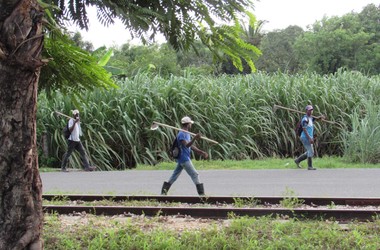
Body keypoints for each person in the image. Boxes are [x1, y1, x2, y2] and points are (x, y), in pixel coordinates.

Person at [161, 116, 209, 196]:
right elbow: (186, 145)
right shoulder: (182, 134)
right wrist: (195, 138)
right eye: (190, 123)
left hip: (182, 159)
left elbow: (190, 146)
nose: (191, 125)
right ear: (188, 124)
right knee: (194, 174)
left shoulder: (187, 133)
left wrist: (201, 152)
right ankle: (202, 195)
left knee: (174, 176)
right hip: (184, 159)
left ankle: (163, 193)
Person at [294, 105, 325, 170]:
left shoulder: (310, 118)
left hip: (308, 137)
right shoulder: (305, 119)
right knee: (311, 152)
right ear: (306, 111)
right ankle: (309, 166)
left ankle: (297, 160)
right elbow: (304, 129)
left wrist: (321, 117)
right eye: (309, 110)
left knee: (309, 151)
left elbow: (316, 119)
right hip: (305, 137)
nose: (311, 111)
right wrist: (309, 138)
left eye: (311, 110)